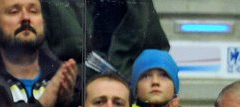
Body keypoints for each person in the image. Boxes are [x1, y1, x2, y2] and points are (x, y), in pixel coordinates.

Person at [39, 0, 168, 80]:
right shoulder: (53, 4)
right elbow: (36, 57)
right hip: (72, 100)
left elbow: (157, 52)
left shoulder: (138, 4)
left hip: (129, 100)